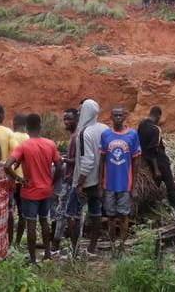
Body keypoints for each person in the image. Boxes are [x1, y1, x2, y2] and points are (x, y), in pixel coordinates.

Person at [5, 114, 62, 263]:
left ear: (27, 128)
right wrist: (52, 182)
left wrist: (19, 179)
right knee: (44, 221)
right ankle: (48, 254)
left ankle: (32, 259)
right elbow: (59, 166)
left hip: (30, 191)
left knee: (31, 223)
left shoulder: (23, 146)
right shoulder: (50, 144)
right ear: (40, 126)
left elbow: (7, 165)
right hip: (46, 190)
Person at [66, 99, 108, 257]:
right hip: (99, 181)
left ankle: (75, 251)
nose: (78, 113)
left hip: (85, 182)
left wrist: (79, 184)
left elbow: (88, 160)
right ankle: (92, 248)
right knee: (96, 214)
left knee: (72, 215)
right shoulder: (103, 128)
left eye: (80, 111)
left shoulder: (84, 133)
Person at [99, 105, 141, 255]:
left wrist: (134, 186)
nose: (117, 118)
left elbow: (136, 161)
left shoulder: (132, 135)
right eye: (115, 115)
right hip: (109, 184)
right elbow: (102, 160)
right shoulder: (105, 135)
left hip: (125, 184)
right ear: (111, 117)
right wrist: (100, 185)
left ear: (124, 117)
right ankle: (111, 245)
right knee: (110, 217)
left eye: (120, 115)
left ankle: (122, 246)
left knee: (123, 216)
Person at [137, 106, 175, 211]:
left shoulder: (141, 125)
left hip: (146, 160)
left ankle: (150, 208)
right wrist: (157, 169)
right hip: (159, 161)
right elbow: (153, 149)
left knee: (155, 184)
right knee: (170, 185)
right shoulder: (155, 129)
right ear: (158, 116)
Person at [52, 108, 79, 252]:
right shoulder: (74, 136)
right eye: (65, 119)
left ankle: (57, 244)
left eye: (69, 119)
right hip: (70, 180)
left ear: (77, 119)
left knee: (62, 213)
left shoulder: (76, 137)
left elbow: (77, 160)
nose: (66, 122)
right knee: (66, 213)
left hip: (70, 181)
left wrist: (62, 159)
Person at [7, 114, 29, 246]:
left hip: (11, 178)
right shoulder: (28, 138)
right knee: (23, 214)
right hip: (24, 181)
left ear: (14, 123)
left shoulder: (11, 137)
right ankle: (18, 242)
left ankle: (9, 241)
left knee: (9, 211)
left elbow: (12, 158)